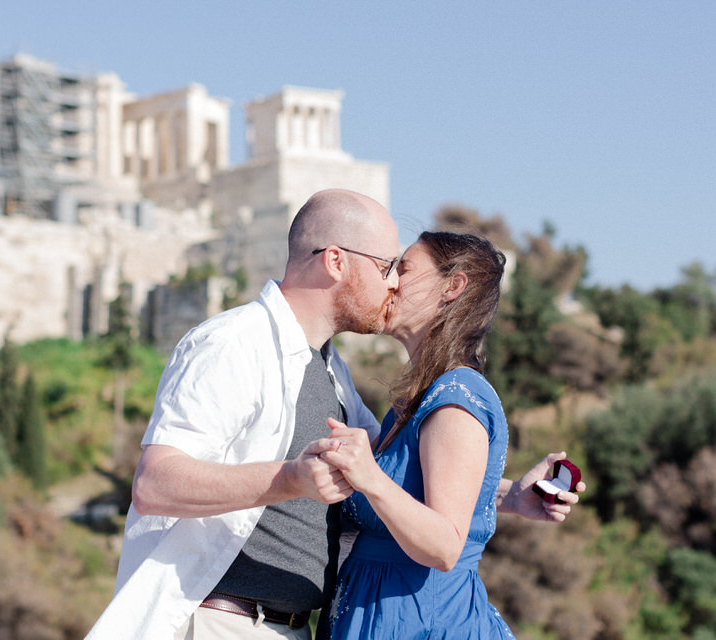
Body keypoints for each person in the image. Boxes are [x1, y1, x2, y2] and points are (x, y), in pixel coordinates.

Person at [84, 188, 401, 640]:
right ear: (336, 261)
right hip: (221, 623)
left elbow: (391, 460)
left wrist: (508, 498)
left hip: (287, 628)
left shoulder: (331, 370)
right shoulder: (233, 342)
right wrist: (291, 478)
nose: (394, 284)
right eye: (386, 266)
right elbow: (155, 484)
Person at [315, 231, 585, 639]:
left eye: (402, 268)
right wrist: (507, 496)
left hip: (423, 622)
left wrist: (368, 477)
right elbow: (425, 490)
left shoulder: (455, 399)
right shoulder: (422, 399)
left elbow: (445, 546)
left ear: (452, 287)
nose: (390, 281)